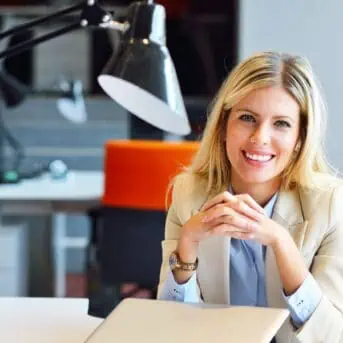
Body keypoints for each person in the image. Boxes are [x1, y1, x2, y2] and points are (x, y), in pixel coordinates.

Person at [157, 51, 343, 343]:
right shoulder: (188, 195)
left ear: (299, 139)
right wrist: (188, 244)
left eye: (281, 123)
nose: (260, 138)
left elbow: (333, 336)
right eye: (247, 118)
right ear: (222, 128)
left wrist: (281, 243)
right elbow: (169, 329)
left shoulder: (331, 204)